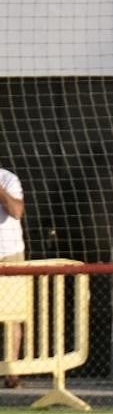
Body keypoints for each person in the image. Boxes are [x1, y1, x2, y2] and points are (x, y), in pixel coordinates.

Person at [0, 165, 25, 387]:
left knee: (13, 314)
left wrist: (0, 191)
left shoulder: (8, 179)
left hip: (9, 254)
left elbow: (17, 212)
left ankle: (12, 371)